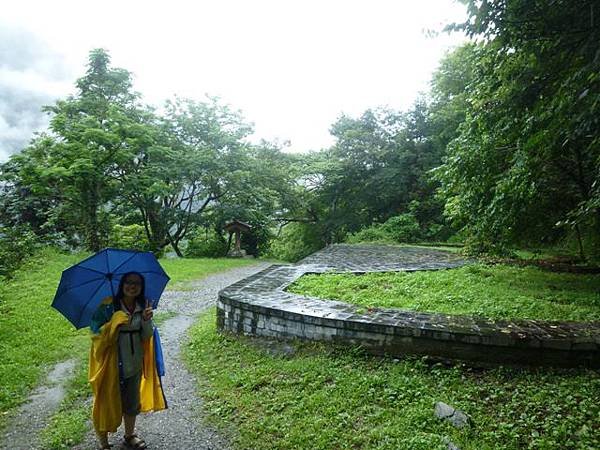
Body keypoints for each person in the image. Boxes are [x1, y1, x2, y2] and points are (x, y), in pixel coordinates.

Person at [89, 272, 166, 449]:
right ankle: (104, 443)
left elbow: (146, 336)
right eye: (128, 282)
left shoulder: (142, 305)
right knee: (106, 401)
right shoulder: (108, 306)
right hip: (111, 366)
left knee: (131, 402)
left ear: (142, 287)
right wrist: (113, 324)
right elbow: (95, 334)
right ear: (122, 284)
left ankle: (129, 435)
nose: (132, 286)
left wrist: (147, 320)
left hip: (134, 364)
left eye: (137, 283)